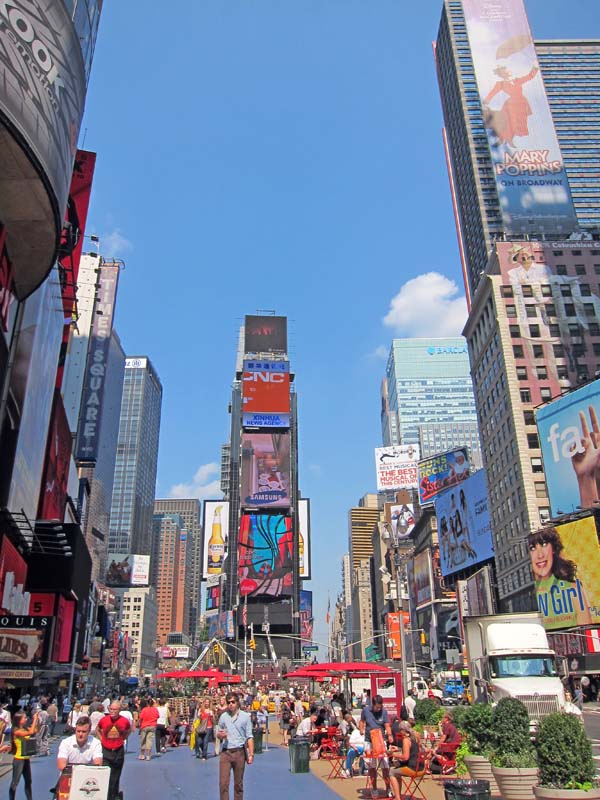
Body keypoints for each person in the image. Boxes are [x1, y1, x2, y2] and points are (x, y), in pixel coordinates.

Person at [528, 527, 592, 627]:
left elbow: (587, 632)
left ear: (553, 549)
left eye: (544, 544)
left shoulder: (573, 588)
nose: (540, 555)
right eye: (532, 548)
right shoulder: (527, 595)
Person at [216, 693, 253, 800]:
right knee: (223, 784)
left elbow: (249, 736)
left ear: (237, 702)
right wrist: (220, 735)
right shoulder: (223, 717)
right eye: (228, 702)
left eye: (233, 702)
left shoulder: (245, 717)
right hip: (226, 753)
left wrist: (251, 754)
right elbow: (218, 733)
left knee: (238, 784)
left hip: (239, 753)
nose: (230, 704)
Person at [360, 694, 393, 798]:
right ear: (373, 705)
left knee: (385, 765)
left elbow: (387, 724)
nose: (379, 709)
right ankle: (374, 788)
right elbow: (362, 721)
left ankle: (388, 788)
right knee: (372, 766)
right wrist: (361, 729)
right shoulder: (366, 710)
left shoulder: (384, 711)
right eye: (377, 707)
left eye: (380, 707)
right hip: (369, 740)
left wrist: (390, 734)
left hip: (380, 739)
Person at [96, 700, 131, 800]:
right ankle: (105, 796)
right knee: (106, 775)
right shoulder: (104, 720)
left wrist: (122, 738)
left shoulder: (124, 721)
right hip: (106, 750)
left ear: (119, 710)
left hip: (118, 751)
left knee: (115, 777)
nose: (112, 711)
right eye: (111, 709)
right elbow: (98, 729)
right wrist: (101, 739)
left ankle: (113, 796)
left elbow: (128, 730)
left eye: (115, 709)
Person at [9, 710, 40, 800]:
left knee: (28, 781)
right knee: (15, 782)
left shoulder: (24, 729)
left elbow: (35, 730)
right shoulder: (16, 731)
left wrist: (37, 720)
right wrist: (34, 719)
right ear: (19, 720)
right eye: (24, 718)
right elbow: (30, 733)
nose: (26, 719)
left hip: (26, 759)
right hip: (19, 760)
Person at [389, 721, 420, 800]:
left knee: (391, 772)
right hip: (420, 767)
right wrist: (399, 749)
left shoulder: (406, 740)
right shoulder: (415, 737)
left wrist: (393, 754)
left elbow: (405, 757)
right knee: (397, 772)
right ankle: (398, 795)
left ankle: (397, 797)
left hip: (412, 768)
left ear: (403, 730)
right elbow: (413, 750)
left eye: (400, 730)